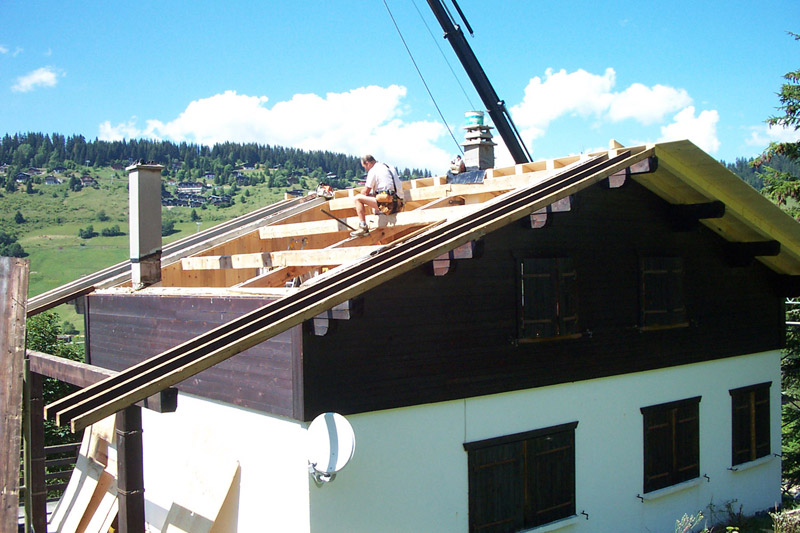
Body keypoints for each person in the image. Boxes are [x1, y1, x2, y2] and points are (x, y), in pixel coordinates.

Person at [350, 154, 402, 237]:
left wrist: (360, 194)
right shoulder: (389, 167)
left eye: (365, 166)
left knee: (357, 199)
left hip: (390, 204)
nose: (366, 169)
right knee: (377, 197)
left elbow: (365, 192)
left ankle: (363, 226)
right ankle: (379, 214)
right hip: (400, 203)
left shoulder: (373, 170)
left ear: (368, 163)